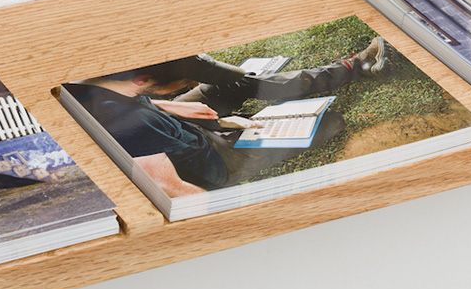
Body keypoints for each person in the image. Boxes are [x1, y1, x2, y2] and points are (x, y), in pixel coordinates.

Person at [65, 37, 392, 197]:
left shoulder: (86, 79)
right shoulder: (133, 130)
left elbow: (129, 103)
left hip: (174, 124)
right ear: (144, 81)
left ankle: (355, 67)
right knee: (330, 122)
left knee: (236, 82)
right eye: (188, 82)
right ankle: (264, 129)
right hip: (214, 163)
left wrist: (171, 105)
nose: (193, 85)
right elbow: (172, 188)